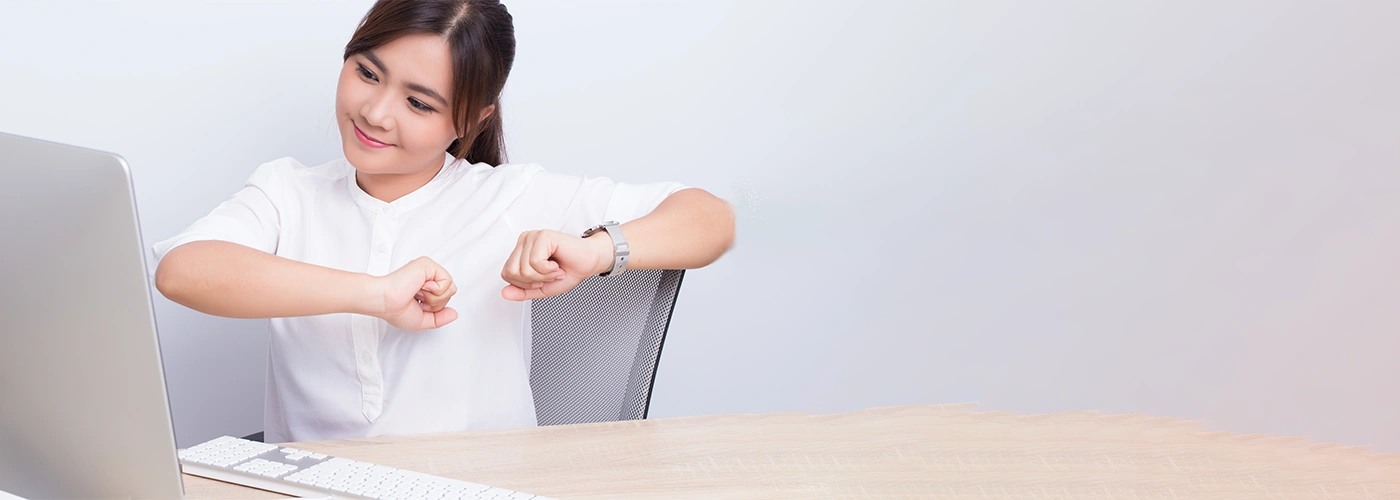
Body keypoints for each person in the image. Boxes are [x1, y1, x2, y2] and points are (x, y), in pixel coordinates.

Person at [151, 0, 734, 443]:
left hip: (481, 484)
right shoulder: (288, 192)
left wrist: (599, 250)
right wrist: (376, 294)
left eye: (419, 103)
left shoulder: (510, 197)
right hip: (311, 483)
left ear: (472, 117)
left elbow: (710, 219)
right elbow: (183, 271)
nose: (376, 113)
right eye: (367, 73)